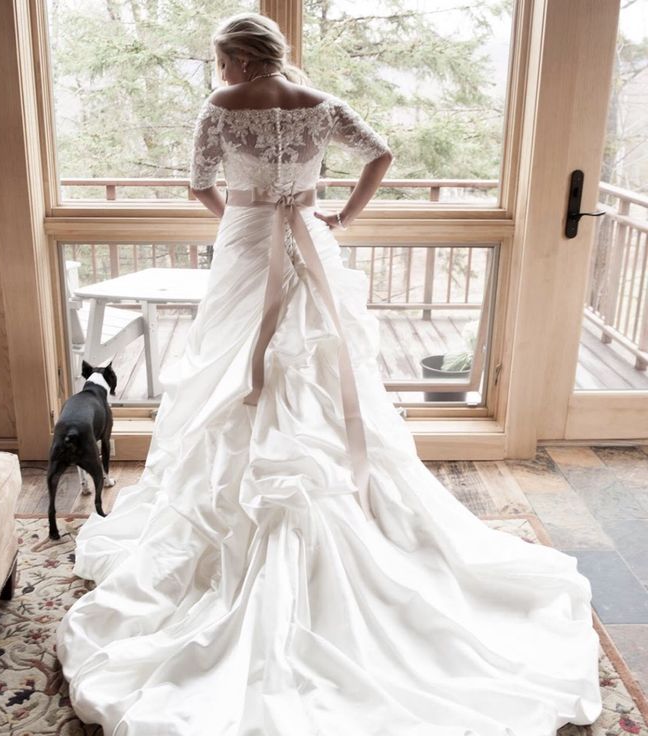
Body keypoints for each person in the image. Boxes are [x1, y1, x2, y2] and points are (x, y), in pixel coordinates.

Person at [56, 11, 602, 735]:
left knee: (238, 379)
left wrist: (238, 218)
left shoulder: (221, 109)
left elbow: (197, 185)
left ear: (242, 62)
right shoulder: (322, 108)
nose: (219, 75)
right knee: (316, 364)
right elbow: (382, 153)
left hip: (249, 248)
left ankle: (233, 541)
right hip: (311, 240)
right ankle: (359, 517)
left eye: (222, 61)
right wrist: (339, 213)